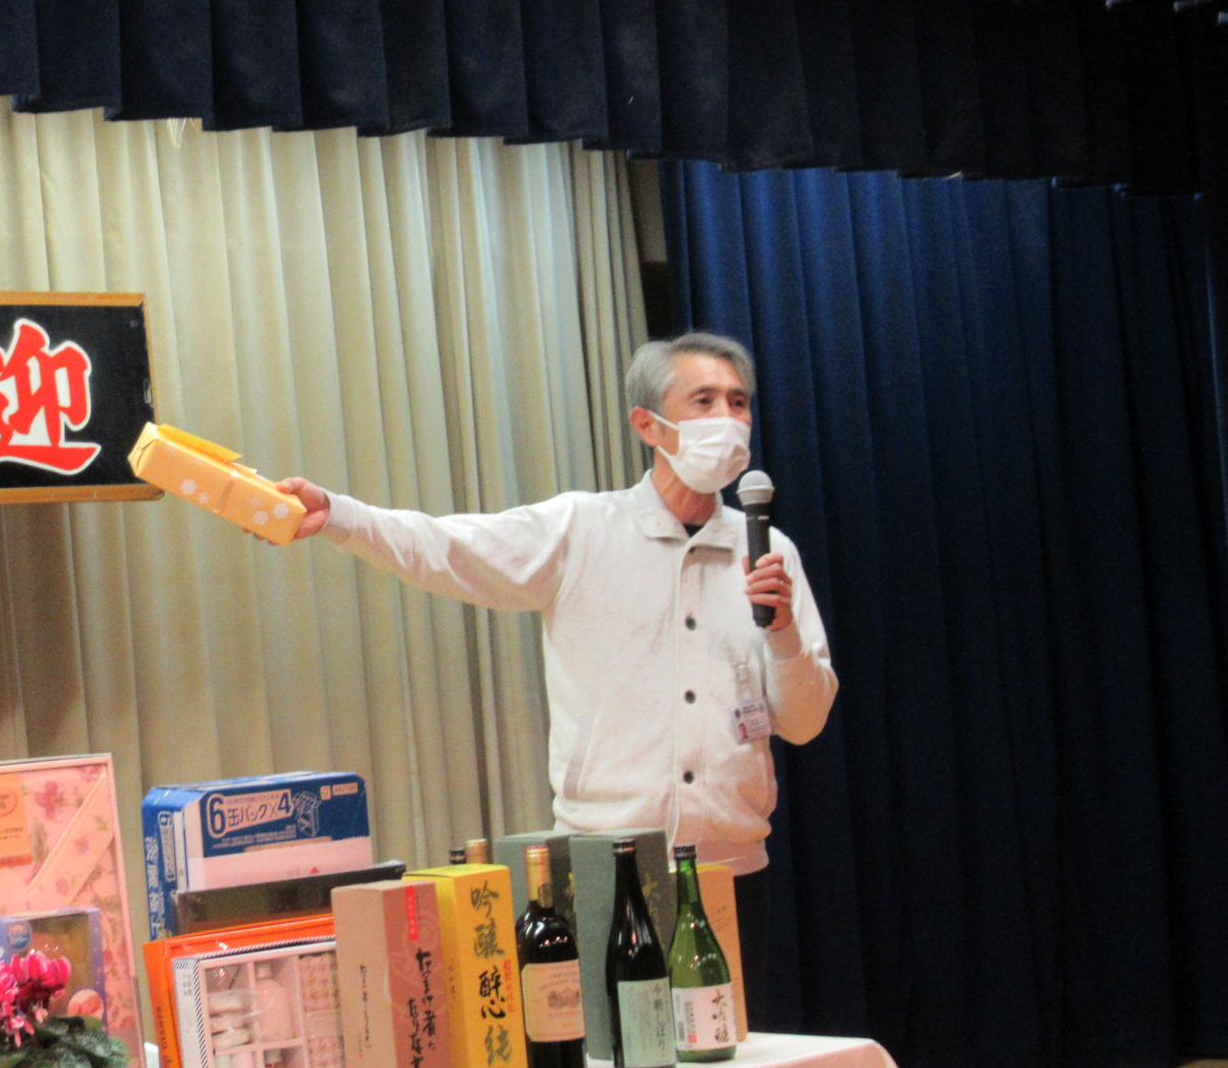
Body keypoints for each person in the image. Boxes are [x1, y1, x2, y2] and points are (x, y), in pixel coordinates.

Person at [275, 332, 837, 997]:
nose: (728, 418)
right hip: (608, 865)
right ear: (648, 425)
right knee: (617, 1050)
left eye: (738, 403)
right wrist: (341, 516)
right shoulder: (583, 530)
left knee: (728, 1055)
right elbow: (449, 547)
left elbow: (804, 722)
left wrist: (782, 633)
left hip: (731, 871)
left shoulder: (770, 552)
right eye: (704, 400)